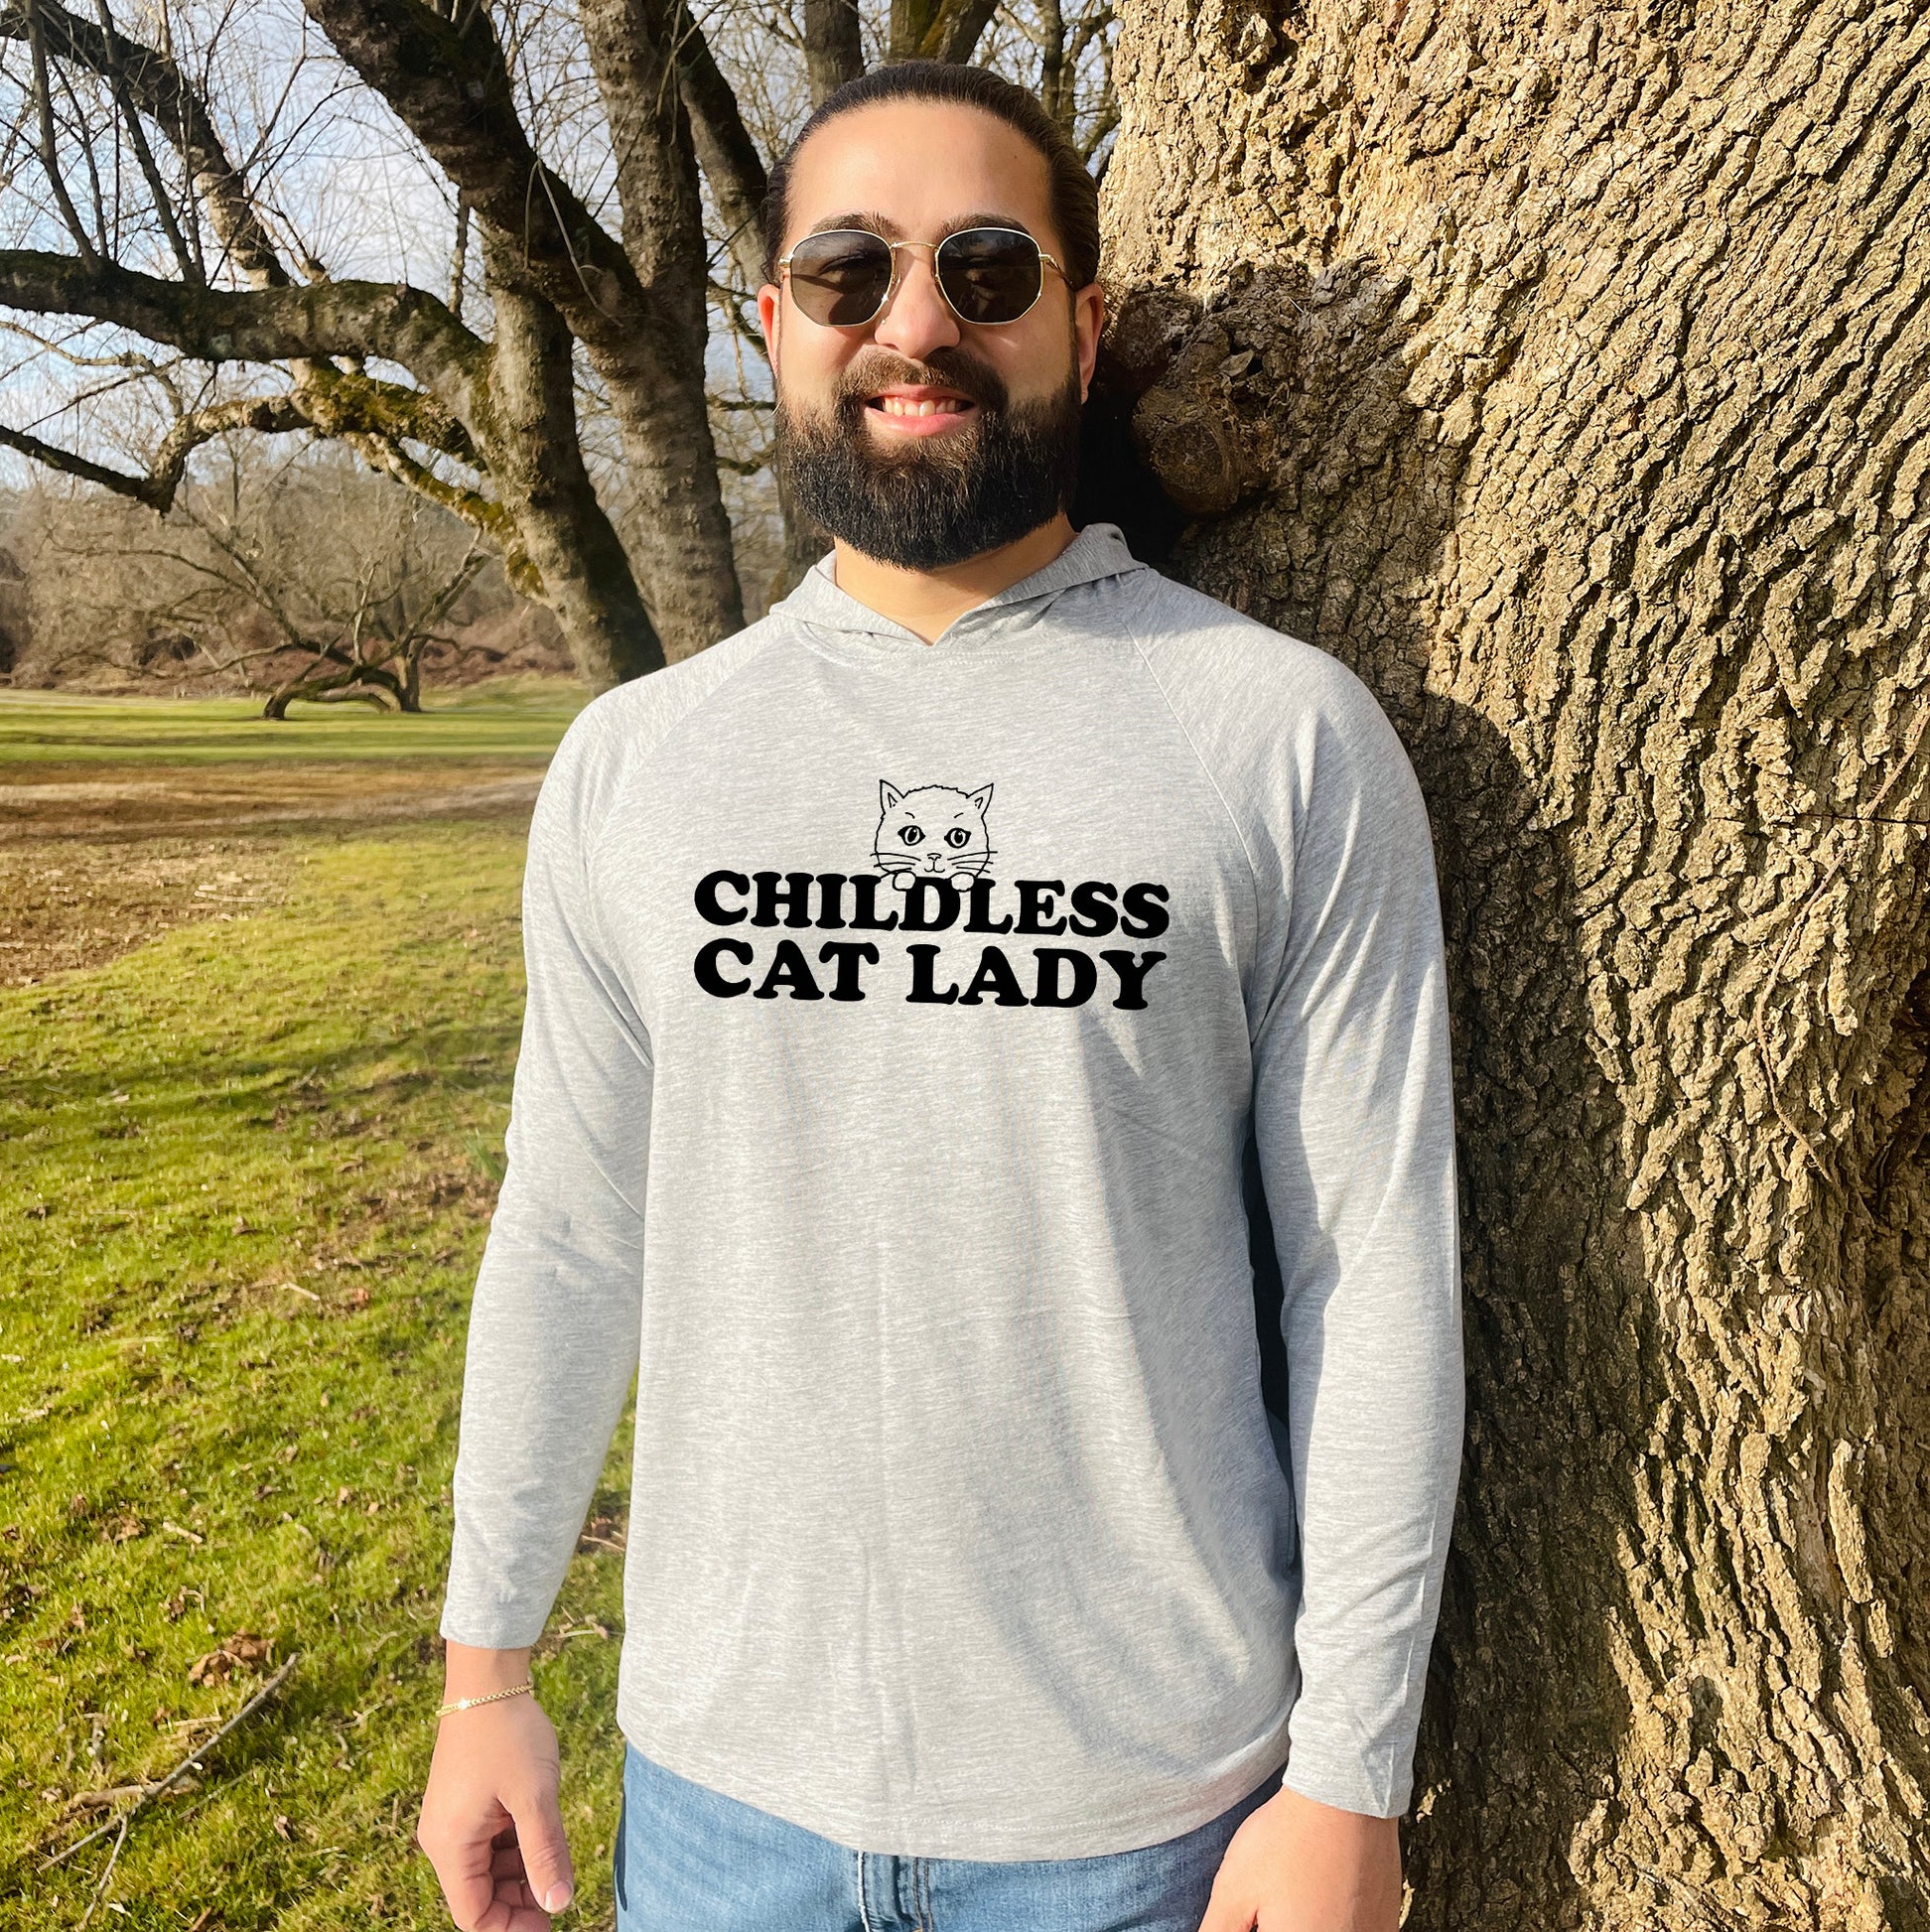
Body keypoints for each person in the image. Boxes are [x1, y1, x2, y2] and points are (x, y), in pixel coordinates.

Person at [416, 58, 1464, 1932]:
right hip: (719, 1798)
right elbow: (569, 1237)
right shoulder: (638, 763)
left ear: (1082, 318)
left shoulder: (1279, 738)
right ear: (773, 326)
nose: (916, 324)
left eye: (985, 268)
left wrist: (1347, 1775)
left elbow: (1370, 1268)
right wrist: (485, 1670)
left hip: (1153, 1812)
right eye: (848, 273)